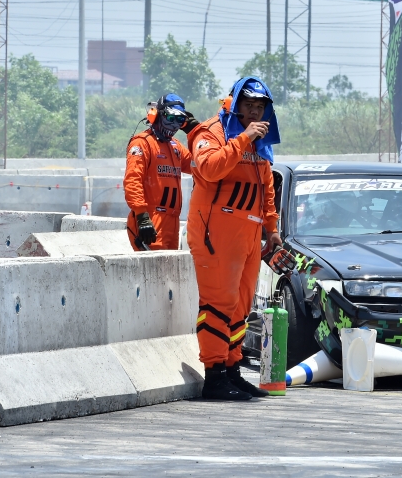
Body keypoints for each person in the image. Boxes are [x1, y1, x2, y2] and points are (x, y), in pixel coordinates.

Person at [187, 77, 292, 400]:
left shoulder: (261, 143)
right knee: (218, 304)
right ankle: (214, 375)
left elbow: (266, 187)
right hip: (216, 232)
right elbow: (209, 168)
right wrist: (244, 138)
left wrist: (272, 229)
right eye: (248, 105)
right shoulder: (210, 133)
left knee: (241, 306)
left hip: (249, 234)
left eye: (259, 107)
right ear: (234, 104)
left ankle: (232, 370)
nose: (254, 112)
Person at [124, 93, 197, 251]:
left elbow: (201, 166)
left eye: (180, 120)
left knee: (170, 267)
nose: (174, 125)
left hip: (172, 221)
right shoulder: (142, 143)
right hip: (150, 220)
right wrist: (142, 216)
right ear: (157, 115)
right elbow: (132, 181)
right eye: (170, 118)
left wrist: (197, 133)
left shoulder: (175, 146)